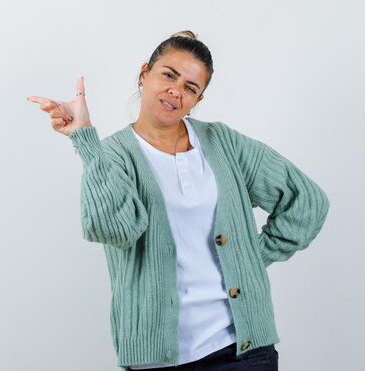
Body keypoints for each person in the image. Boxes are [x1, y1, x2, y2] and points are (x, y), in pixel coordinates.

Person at [26, 31, 330, 371]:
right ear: (145, 73)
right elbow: (114, 230)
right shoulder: (112, 155)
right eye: (169, 75)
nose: (176, 90)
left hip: (242, 349)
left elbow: (307, 201)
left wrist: (250, 258)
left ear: (197, 100)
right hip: (158, 358)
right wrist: (85, 141)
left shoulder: (223, 142)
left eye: (191, 87)